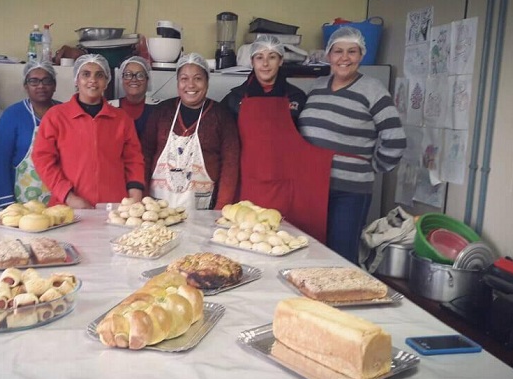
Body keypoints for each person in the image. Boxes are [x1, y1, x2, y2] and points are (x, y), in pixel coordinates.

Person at [298, 26, 406, 264]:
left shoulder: (373, 89)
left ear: (361, 55)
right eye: (338, 51)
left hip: (349, 191)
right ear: (328, 55)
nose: (344, 58)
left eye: (352, 52)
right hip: (313, 186)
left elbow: (395, 139)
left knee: (340, 257)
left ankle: (341, 300)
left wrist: (372, 167)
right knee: (308, 251)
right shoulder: (316, 86)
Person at [220, 34, 331, 243]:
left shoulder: (296, 98)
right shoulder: (235, 99)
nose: (265, 63)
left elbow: (309, 143)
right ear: (252, 61)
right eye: (259, 57)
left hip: (285, 186)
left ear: (281, 61)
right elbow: (224, 144)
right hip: (246, 184)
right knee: (246, 241)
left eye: (272, 57)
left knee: (282, 242)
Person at [32, 54, 145, 208]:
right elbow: (43, 160)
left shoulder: (121, 119)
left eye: (99, 75)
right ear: (76, 80)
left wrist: (135, 195)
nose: (93, 80)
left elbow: (134, 159)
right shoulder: (56, 117)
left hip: (113, 207)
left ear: (106, 82)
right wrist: (69, 197)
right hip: (68, 207)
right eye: (86, 74)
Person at [142, 53, 240, 210]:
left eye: (198, 78)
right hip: (157, 206)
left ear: (207, 82)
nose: (191, 85)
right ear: (178, 82)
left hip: (202, 208)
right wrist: (144, 195)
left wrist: (221, 206)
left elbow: (230, 163)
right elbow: (145, 154)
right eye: (184, 79)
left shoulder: (221, 116)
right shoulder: (162, 112)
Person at [0, 60, 61, 209]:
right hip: (23, 200)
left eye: (46, 81)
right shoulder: (12, 115)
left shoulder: (64, 113)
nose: (41, 86)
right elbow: (0, 162)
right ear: (26, 86)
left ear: (54, 85)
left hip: (61, 197)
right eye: (34, 81)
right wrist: (7, 202)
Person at [108, 56, 160, 140]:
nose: (134, 79)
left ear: (147, 80)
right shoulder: (108, 107)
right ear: (122, 79)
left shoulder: (160, 108)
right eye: (128, 75)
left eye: (140, 75)